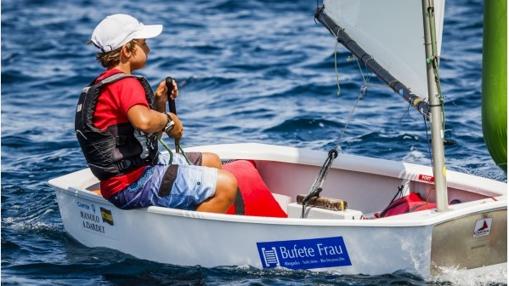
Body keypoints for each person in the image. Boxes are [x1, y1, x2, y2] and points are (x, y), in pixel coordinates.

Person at [75, 14, 238, 213]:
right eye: (143, 43)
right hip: (133, 184)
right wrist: (169, 120)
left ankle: (193, 210)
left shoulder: (104, 85)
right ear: (127, 50)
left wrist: (159, 103)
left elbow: (147, 138)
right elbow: (144, 122)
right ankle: (190, 241)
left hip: (124, 181)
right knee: (226, 185)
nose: (148, 48)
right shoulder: (126, 83)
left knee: (212, 161)